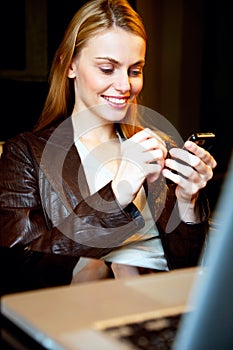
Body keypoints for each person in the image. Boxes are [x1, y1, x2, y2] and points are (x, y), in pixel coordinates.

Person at [0, 0, 217, 295]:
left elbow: (187, 268)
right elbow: (18, 271)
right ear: (70, 64)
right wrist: (115, 195)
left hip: (167, 305)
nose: (124, 86)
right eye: (107, 68)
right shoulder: (25, 153)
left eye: (135, 70)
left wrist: (187, 202)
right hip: (85, 311)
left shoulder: (157, 146)